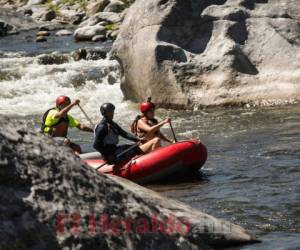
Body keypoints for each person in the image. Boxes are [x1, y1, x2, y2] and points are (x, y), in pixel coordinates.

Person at [93, 103, 165, 164]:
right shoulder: (102, 127)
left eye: (112, 111)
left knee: (134, 146)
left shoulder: (112, 124)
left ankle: (148, 158)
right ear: (104, 113)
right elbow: (96, 145)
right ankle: (150, 161)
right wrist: (107, 155)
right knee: (135, 149)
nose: (112, 113)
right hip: (111, 155)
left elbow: (125, 134)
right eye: (109, 111)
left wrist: (137, 139)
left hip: (115, 150)